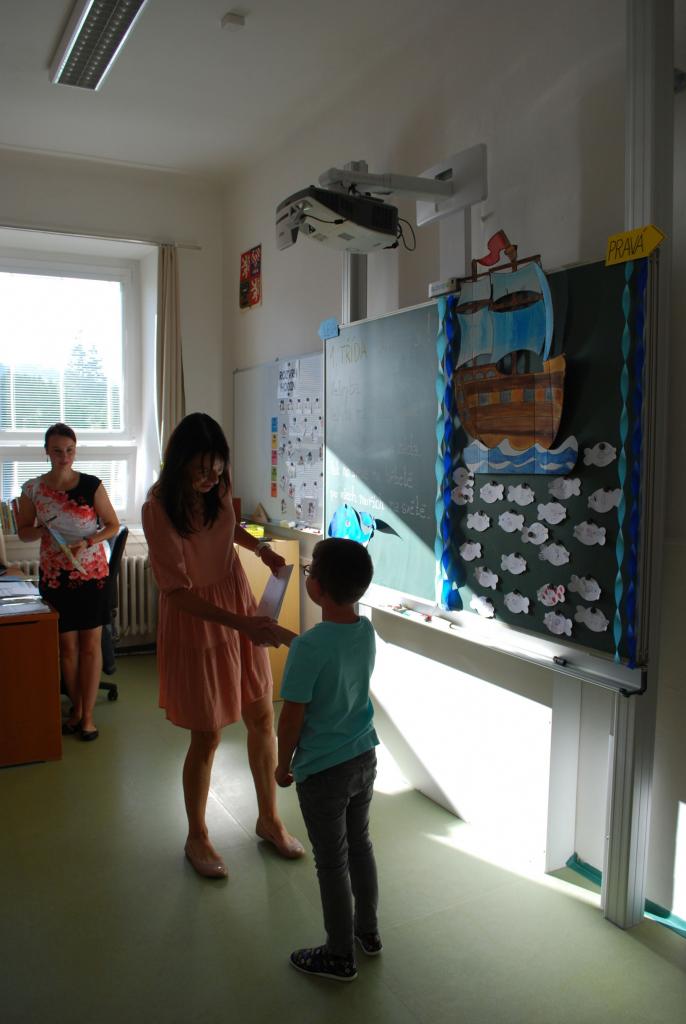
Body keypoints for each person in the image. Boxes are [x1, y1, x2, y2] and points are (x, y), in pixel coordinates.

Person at [141, 412, 304, 880]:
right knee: (208, 733)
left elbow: (226, 525)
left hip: (235, 600)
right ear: (179, 463)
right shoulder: (158, 508)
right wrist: (240, 624)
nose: (211, 479)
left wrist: (260, 549)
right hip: (198, 616)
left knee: (262, 716)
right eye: (202, 471)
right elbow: (177, 591)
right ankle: (197, 834)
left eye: (217, 470)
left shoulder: (216, 490)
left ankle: (269, 819)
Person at [275, 537, 381, 982]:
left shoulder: (310, 647)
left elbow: (291, 719)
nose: (307, 576)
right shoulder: (365, 629)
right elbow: (330, 658)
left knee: (331, 862)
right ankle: (367, 932)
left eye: (309, 570)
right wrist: (291, 642)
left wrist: (282, 764)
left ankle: (339, 954)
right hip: (363, 757)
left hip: (322, 772)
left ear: (317, 588)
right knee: (360, 845)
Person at [16, 422, 121, 741]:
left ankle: (87, 717)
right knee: (67, 648)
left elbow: (112, 525)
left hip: (91, 575)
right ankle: (76, 709)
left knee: (90, 646)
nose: (64, 457)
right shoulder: (32, 489)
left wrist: (88, 542)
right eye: (58, 451)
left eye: (70, 450)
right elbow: (24, 532)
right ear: (46, 452)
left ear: (75, 451)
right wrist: (43, 530)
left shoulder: (91, 485)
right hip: (55, 576)